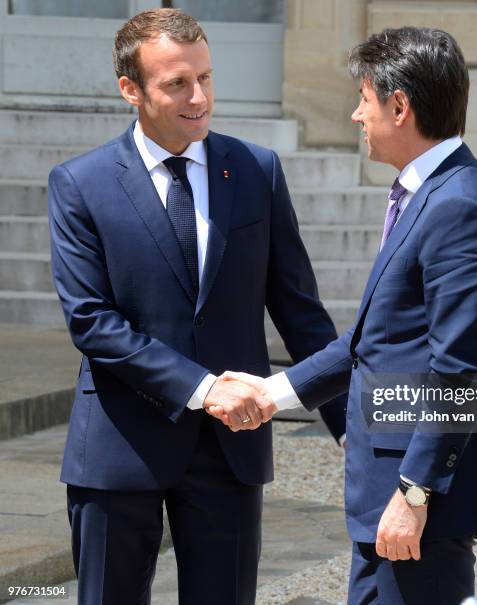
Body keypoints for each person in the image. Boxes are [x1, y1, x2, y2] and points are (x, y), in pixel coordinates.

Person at [211, 26, 477, 605]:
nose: (356, 115)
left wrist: (415, 492)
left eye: (364, 98)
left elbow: (459, 372)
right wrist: (272, 393)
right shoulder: (430, 194)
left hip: (416, 502)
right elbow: (370, 341)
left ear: (399, 106)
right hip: (393, 494)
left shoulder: (460, 207)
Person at [48, 8, 346, 605]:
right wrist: (203, 388)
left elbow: (299, 310)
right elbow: (92, 322)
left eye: (206, 78)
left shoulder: (257, 170)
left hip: (230, 453)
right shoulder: (81, 183)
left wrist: (355, 430)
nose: (199, 96)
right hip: (118, 448)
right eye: (177, 83)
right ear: (130, 89)